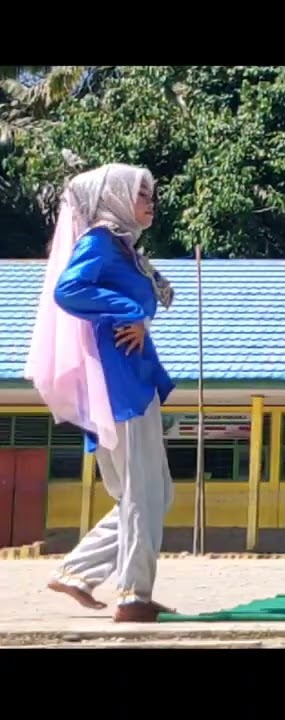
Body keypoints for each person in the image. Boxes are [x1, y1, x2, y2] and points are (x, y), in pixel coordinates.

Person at [26, 163, 178, 623]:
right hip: (119, 382)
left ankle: (78, 570)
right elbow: (69, 289)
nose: (150, 204)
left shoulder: (125, 249)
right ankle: (133, 594)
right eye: (141, 195)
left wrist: (139, 313)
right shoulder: (99, 241)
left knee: (154, 492)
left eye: (151, 196)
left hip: (133, 375)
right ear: (113, 197)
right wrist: (128, 309)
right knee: (141, 489)